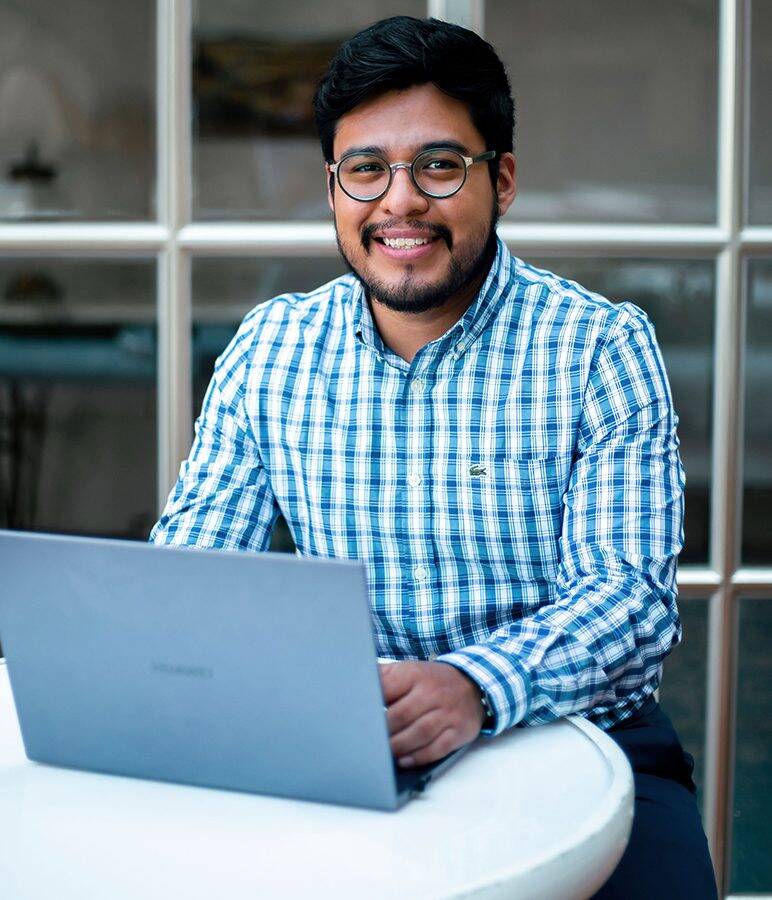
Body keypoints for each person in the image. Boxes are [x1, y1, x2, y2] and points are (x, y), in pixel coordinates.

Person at [152, 16, 717, 898]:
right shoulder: (272, 347)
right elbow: (191, 571)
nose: (400, 201)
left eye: (439, 165)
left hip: (576, 738)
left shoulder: (600, 347)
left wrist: (473, 685)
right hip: (344, 746)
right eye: (366, 169)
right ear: (334, 188)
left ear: (504, 179)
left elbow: (629, 605)